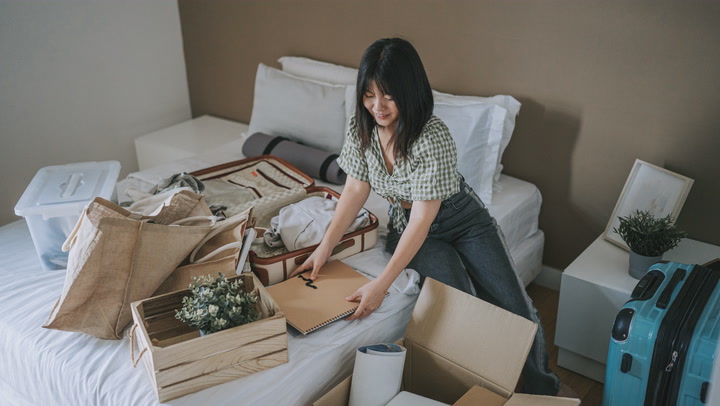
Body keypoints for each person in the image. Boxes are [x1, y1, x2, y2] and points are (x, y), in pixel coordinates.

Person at [290, 37, 564, 397]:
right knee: (462, 303)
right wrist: (325, 248)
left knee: (515, 307)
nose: (378, 106)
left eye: (388, 95)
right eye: (369, 94)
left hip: (462, 220)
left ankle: (544, 391)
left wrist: (381, 286)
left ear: (410, 90)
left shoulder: (431, 137)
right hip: (411, 228)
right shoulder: (362, 129)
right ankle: (480, 390)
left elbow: (424, 216)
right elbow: (356, 190)